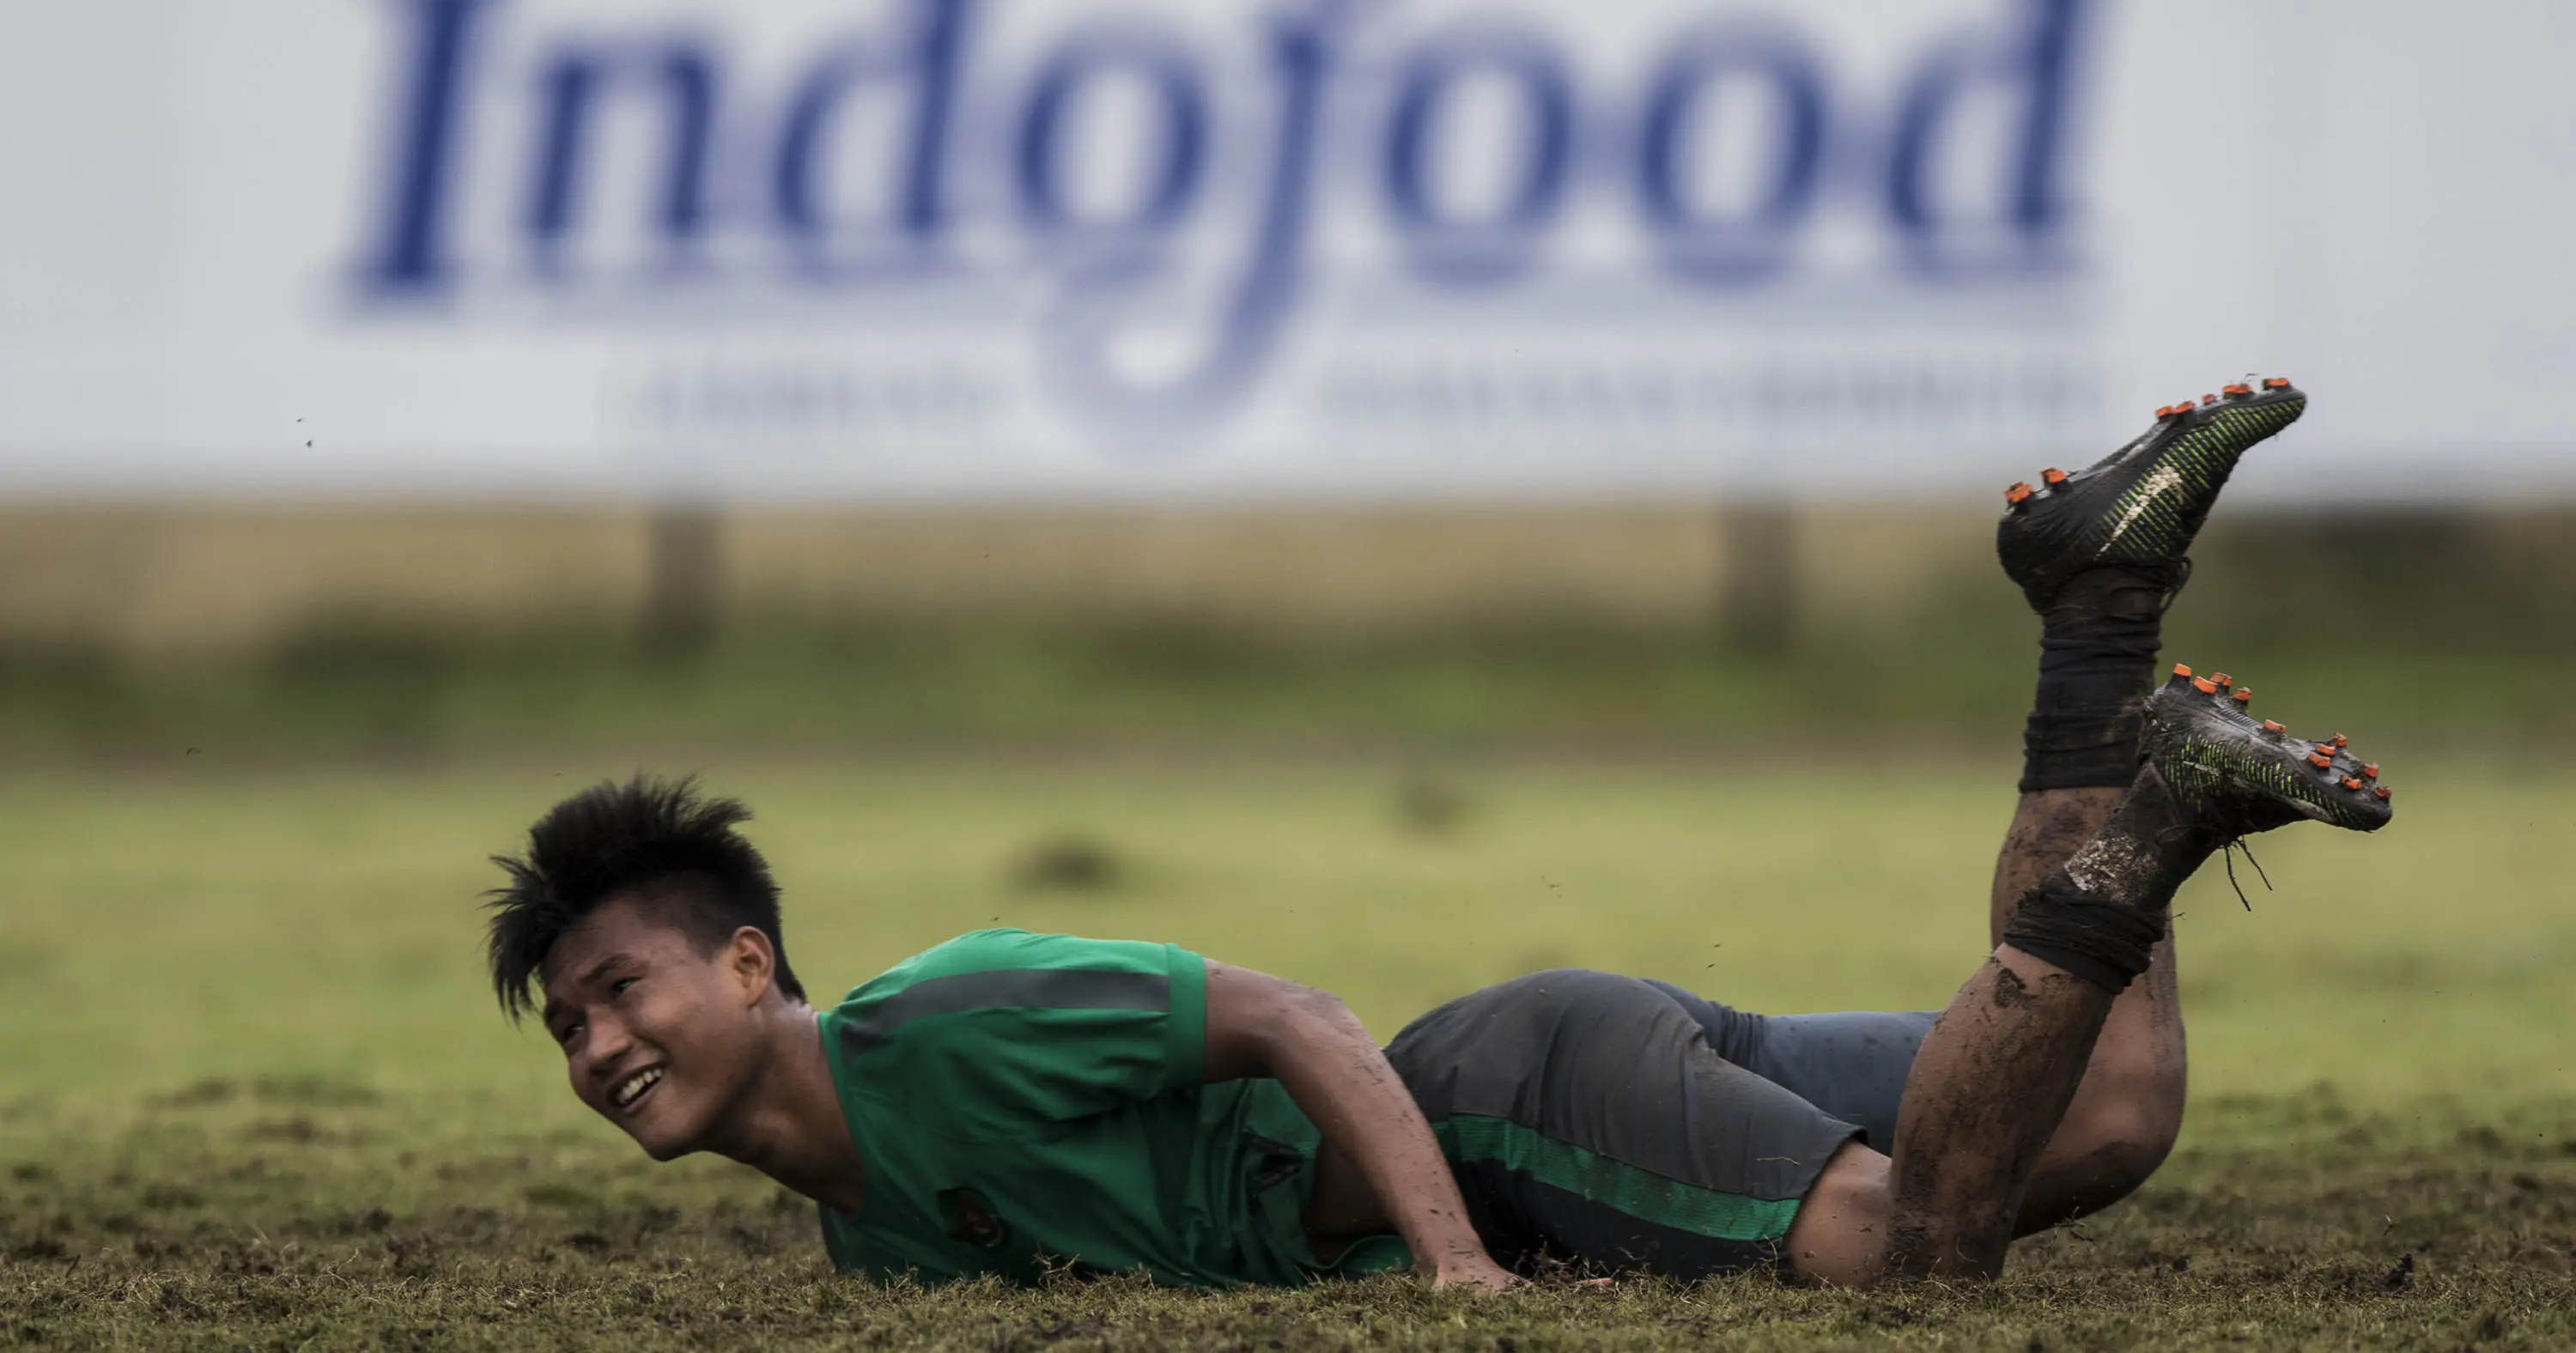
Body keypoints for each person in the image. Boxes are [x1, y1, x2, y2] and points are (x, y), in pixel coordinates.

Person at [483, 375, 2393, 1289]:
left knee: (1917, 1251)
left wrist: (1459, 1264)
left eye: (617, 986)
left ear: (749, 960)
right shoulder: (869, 1241)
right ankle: (2099, 624)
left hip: (1513, 1103)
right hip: (1551, 1090)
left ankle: (2153, 825)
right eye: (567, 1024)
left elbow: (1297, 1018)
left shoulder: (944, 1020)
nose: (598, 1045)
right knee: (2113, 1105)